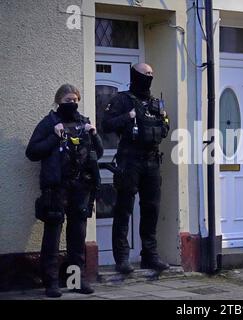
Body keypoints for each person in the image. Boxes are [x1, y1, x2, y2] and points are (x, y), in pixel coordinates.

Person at [26, 84, 103, 298]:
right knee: (52, 235)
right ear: (58, 101)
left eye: (76, 99)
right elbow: (32, 152)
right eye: (68, 100)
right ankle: (51, 283)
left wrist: (94, 134)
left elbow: (100, 150)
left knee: (77, 236)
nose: (73, 104)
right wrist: (53, 137)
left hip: (80, 186)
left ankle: (75, 281)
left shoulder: (83, 122)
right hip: (56, 188)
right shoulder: (49, 122)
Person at [103, 63, 170, 274]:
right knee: (124, 209)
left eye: (151, 73)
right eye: (145, 74)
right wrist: (127, 117)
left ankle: (150, 256)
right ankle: (122, 259)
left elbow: (165, 129)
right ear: (135, 75)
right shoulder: (122, 100)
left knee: (151, 209)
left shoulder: (155, 103)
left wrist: (164, 119)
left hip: (151, 161)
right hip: (129, 161)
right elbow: (106, 125)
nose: (149, 76)